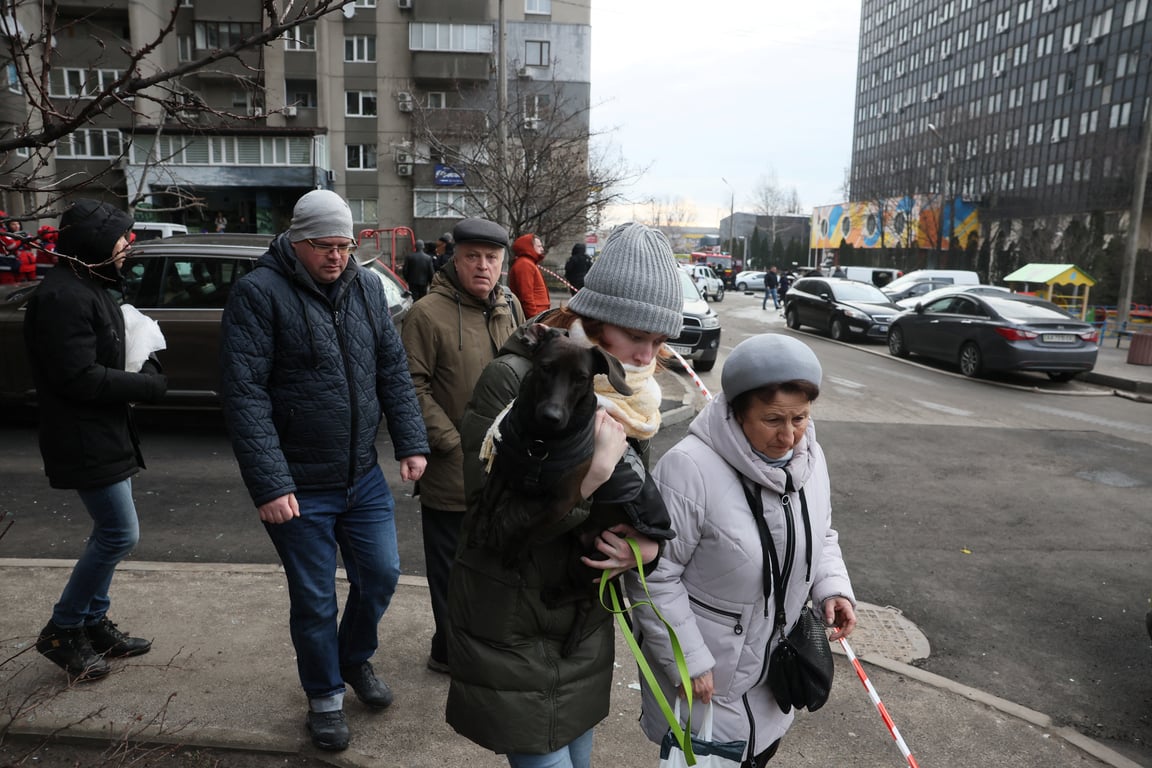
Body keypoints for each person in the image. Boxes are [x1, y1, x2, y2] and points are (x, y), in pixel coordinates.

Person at [446, 221, 684, 768]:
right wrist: (590, 477)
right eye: (635, 336)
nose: (648, 355)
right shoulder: (515, 380)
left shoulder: (632, 398)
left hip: (582, 619)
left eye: (658, 340)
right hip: (513, 619)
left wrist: (646, 549)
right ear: (594, 321)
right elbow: (489, 524)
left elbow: (632, 505)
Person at [219, 190, 429, 752]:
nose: (336, 257)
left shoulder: (364, 287)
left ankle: (353, 659)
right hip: (297, 485)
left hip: (360, 477)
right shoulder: (258, 294)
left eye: (344, 245)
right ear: (296, 240)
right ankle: (325, 697)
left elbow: (391, 369)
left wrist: (410, 443)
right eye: (324, 246)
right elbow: (244, 396)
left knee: (381, 575)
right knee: (314, 598)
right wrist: (271, 483)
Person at [624, 333, 857, 768]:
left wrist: (832, 588)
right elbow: (651, 574)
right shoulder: (688, 468)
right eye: (772, 419)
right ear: (736, 411)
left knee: (760, 754)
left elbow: (820, 533)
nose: (789, 436)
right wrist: (688, 659)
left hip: (774, 675)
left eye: (800, 418)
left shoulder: (810, 458)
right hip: (707, 681)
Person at [23, 199, 169, 684]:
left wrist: (145, 359)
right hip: (82, 436)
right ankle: (63, 629)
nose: (129, 244)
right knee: (119, 534)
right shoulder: (63, 298)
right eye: (121, 236)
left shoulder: (92, 285)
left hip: (106, 431)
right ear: (94, 243)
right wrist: (146, 386)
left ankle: (92, 622)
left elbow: (112, 349)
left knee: (110, 533)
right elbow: (78, 377)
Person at [400, 217, 523, 675]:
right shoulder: (426, 313)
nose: (483, 266)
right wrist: (452, 442)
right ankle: (454, 654)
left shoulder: (509, 305)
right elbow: (411, 387)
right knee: (452, 572)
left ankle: (463, 646)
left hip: (505, 465)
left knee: (494, 565)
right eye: (473, 256)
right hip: (452, 467)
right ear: (455, 256)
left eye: (492, 258)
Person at [507, 233, 551, 318]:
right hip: (536, 314)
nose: (542, 249)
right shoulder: (525, 264)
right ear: (529, 247)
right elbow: (526, 296)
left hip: (538, 313)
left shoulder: (528, 263)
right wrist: (533, 318)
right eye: (539, 246)